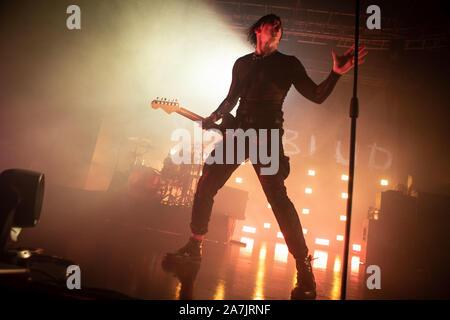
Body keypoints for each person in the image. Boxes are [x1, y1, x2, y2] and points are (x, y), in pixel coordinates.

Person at [165, 14, 367, 300]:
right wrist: (215, 116)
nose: (277, 28)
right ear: (259, 29)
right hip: (237, 133)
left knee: (278, 199)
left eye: (280, 27)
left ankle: (303, 266)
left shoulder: (289, 64)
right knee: (206, 183)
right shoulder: (242, 63)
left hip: (267, 137)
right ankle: (194, 245)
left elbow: (317, 95)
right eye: (272, 24)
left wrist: (335, 73)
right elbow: (231, 99)